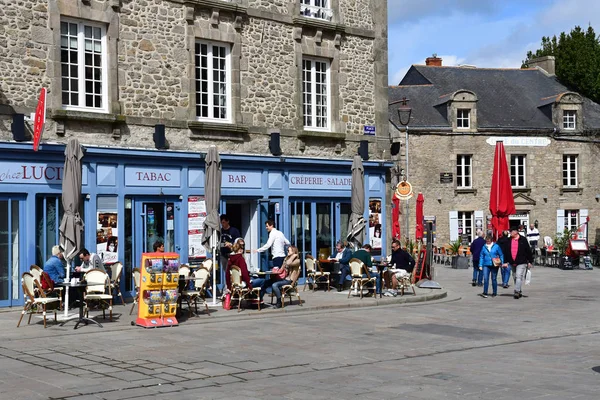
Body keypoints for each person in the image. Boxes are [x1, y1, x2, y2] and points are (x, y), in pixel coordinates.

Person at [503, 227, 533, 299]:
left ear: (516, 232)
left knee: (518, 276)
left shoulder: (523, 239)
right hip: (512, 261)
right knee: (514, 276)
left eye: (511, 231)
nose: (510, 233)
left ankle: (516, 291)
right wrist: (505, 262)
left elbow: (528, 251)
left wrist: (530, 261)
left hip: (521, 261)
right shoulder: (508, 240)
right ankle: (519, 290)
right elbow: (506, 251)